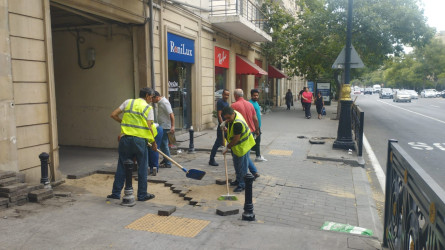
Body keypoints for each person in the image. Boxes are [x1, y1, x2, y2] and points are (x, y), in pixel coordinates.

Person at [108, 87, 157, 201]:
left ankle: (115, 193)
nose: (152, 99)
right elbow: (149, 127)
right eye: (151, 96)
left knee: (122, 166)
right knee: (142, 168)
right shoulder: (148, 108)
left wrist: (124, 123)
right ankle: (142, 194)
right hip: (140, 141)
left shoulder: (128, 102)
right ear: (147, 96)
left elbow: (113, 114)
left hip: (125, 139)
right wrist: (153, 142)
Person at [221, 107, 256, 193]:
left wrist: (227, 147)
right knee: (236, 165)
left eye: (228, 118)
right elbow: (231, 127)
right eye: (226, 118)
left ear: (233, 114)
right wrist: (225, 123)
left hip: (243, 146)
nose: (227, 120)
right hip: (237, 147)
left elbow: (236, 139)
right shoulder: (234, 113)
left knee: (242, 167)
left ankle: (242, 184)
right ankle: (238, 180)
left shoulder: (238, 123)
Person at [231, 89, 260, 180]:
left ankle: (242, 177)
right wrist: (257, 130)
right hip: (250, 132)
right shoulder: (250, 104)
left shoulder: (234, 105)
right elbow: (255, 119)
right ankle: (254, 172)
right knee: (246, 154)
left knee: (241, 156)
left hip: (241, 134)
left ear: (235, 96)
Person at [152, 91, 175, 168]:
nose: (152, 101)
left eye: (153, 99)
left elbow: (171, 114)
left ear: (157, 97)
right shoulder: (160, 102)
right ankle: (166, 159)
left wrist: (172, 126)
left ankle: (168, 162)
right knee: (163, 145)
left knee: (163, 144)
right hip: (163, 125)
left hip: (165, 126)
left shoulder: (164, 102)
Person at [209, 89, 230, 166]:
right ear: (222, 95)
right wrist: (222, 125)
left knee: (229, 141)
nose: (226, 96)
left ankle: (235, 157)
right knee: (218, 143)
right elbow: (219, 115)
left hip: (226, 125)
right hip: (222, 126)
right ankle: (211, 159)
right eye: (225, 95)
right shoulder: (220, 102)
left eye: (228, 95)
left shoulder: (226, 103)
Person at [249, 89, 267, 162]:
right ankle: (257, 156)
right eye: (254, 95)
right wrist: (256, 128)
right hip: (253, 126)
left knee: (257, 141)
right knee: (254, 141)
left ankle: (258, 155)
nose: (256, 97)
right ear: (251, 96)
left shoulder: (256, 103)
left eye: (257, 95)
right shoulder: (250, 104)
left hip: (257, 126)